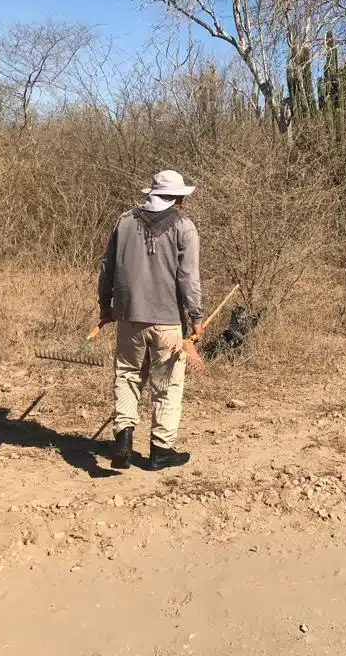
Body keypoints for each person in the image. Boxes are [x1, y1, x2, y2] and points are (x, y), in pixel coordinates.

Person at [98, 170, 205, 470]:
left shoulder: (124, 220)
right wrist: (196, 316)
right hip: (167, 320)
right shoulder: (184, 227)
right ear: (178, 198)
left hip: (129, 316)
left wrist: (105, 305)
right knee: (167, 384)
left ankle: (123, 438)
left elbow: (107, 267)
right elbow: (188, 278)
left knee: (127, 375)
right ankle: (161, 449)